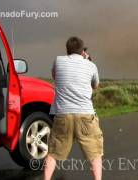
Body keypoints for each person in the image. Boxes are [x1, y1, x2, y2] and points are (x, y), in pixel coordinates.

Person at [44, 37, 103, 180]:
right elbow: (95, 86)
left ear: (67, 50)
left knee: (52, 153)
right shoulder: (91, 65)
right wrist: (88, 61)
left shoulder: (58, 61)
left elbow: (55, 76)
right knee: (95, 153)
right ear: (83, 51)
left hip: (63, 115)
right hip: (85, 116)